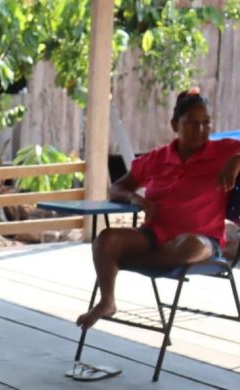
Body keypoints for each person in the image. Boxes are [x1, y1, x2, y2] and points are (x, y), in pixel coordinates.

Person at [77, 88, 240, 330]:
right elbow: (118, 188)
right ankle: (107, 301)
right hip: (155, 236)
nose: (202, 129)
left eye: (206, 123)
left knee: (189, 245)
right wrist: (137, 199)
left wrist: (237, 160)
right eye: (193, 123)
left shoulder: (223, 150)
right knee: (106, 240)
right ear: (175, 125)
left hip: (204, 242)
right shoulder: (157, 158)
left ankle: (131, 261)